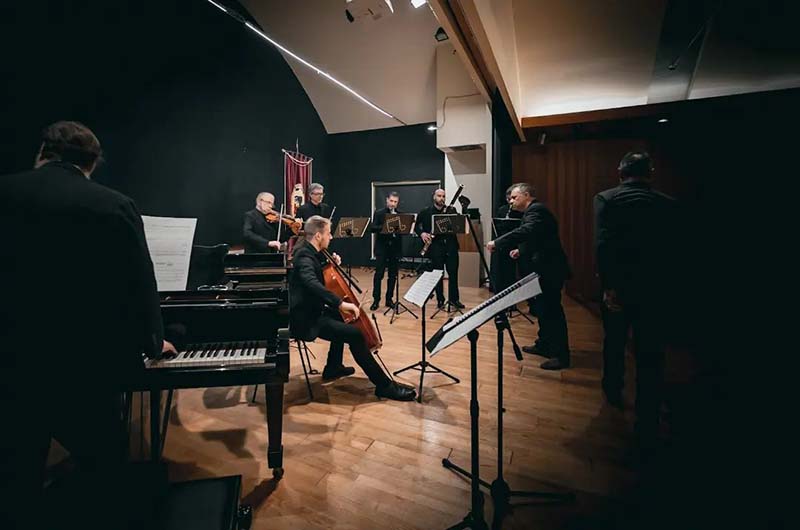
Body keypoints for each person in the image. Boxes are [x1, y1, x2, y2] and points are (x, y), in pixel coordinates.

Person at [0, 121, 175, 528]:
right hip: (87, 363)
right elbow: (139, 282)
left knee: (17, 473)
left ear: (43, 153)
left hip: (10, 358)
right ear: (92, 162)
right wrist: (153, 340)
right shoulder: (113, 205)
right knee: (102, 466)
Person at [594, 151, 677, 447]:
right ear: (650, 173)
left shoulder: (607, 199)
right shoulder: (667, 203)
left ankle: (613, 390)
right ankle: (648, 416)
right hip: (655, 290)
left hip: (619, 286)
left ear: (620, 172)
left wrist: (609, 286)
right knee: (651, 353)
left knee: (614, 341)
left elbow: (604, 245)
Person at [290, 215, 416, 401]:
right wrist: (340, 303)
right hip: (307, 319)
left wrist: (331, 262)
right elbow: (311, 283)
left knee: (342, 318)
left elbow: (318, 268)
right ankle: (384, 386)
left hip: (315, 310)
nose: (330, 237)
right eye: (328, 233)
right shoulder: (303, 257)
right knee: (355, 334)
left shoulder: (311, 252)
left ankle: (333, 367)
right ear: (318, 236)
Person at [487, 183, 571, 370]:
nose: (510, 201)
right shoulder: (532, 212)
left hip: (549, 269)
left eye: (514, 197)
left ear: (526, 195)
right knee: (542, 308)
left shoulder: (537, 210)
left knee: (552, 311)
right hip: (543, 268)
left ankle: (561, 355)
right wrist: (521, 250)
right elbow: (537, 237)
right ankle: (544, 344)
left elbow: (527, 231)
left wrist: (498, 242)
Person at [416, 188, 463, 309]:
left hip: (451, 246)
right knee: (438, 274)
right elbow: (416, 226)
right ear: (434, 197)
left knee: (453, 274)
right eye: (439, 196)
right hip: (436, 248)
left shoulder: (451, 210)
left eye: (443, 196)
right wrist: (422, 233)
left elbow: (459, 225)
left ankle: (454, 300)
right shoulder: (425, 212)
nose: (441, 198)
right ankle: (440, 300)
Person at [370, 191, 402, 311]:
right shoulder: (379, 213)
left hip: (394, 249)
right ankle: (376, 300)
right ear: (387, 200)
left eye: (395, 202)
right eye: (391, 201)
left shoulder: (400, 214)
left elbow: (403, 230)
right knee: (379, 275)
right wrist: (386, 227)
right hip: (382, 248)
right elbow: (373, 228)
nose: (393, 204)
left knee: (393, 275)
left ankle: (389, 299)